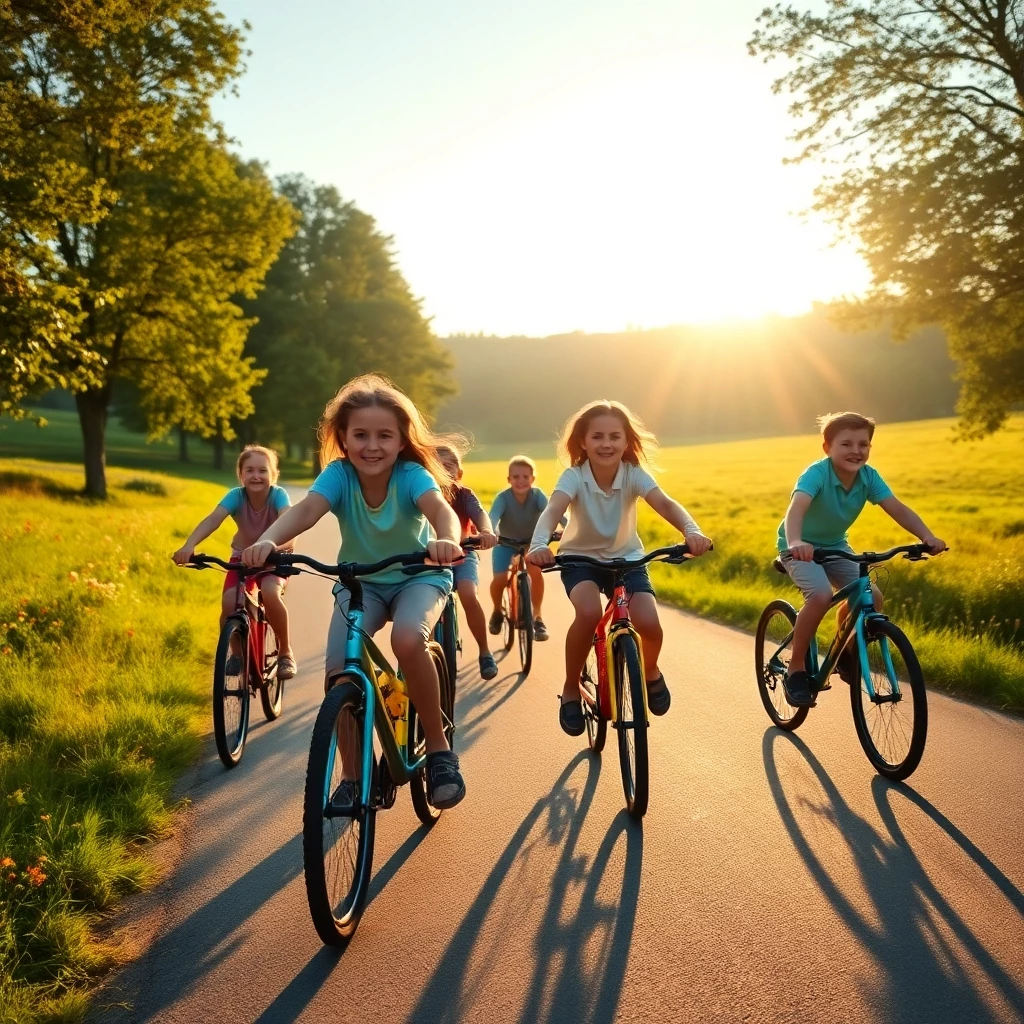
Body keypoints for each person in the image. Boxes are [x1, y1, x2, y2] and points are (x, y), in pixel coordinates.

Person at [240, 374, 468, 809]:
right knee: (340, 673)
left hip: (420, 576)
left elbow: (440, 509)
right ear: (342, 439)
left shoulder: (412, 474)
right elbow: (307, 510)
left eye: (385, 435)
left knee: (406, 639)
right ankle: (352, 775)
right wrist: (268, 540)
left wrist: (446, 537)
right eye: (360, 434)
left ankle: (439, 751)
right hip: (361, 583)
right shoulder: (338, 475)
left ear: (402, 440)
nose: (372, 445)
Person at [527, 401, 712, 735]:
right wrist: (540, 544)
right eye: (597, 436)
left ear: (627, 442)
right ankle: (571, 688)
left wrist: (692, 531)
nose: (606, 443)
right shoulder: (574, 476)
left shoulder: (633, 474)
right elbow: (553, 510)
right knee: (587, 611)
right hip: (579, 560)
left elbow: (665, 503)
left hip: (627, 560)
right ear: (583, 442)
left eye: (615, 436)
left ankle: (651, 671)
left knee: (650, 624)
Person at [777, 411, 945, 708]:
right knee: (819, 596)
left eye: (863, 444)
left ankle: (846, 653)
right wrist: (796, 542)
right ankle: (796, 669)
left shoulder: (868, 477)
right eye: (846, 444)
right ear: (827, 448)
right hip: (798, 547)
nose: (856, 451)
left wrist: (926, 537)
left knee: (871, 597)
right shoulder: (816, 473)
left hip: (836, 545)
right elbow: (797, 509)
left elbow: (898, 508)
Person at [173, 445, 296, 680]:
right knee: (230, 601)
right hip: (243, 557)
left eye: (262, 470)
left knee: (270, 592)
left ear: (274, 475)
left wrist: (272, 545)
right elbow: (213, 520)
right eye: (249, 470)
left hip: (275, 556)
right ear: (240, 475)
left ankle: (285, 653)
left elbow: (289, 522)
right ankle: (237, 654)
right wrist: (189, 545)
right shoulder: (235, 496)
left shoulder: (278, 495)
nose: (256, 476)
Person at [435, 445, 499, 680]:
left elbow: (480, 514)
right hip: (431, 558)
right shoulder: (423, 494)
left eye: (450, 466)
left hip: (464, 552)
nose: (444, 470)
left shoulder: (464, 495)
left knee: (468, 593)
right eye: (438, 466)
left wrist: (485, 531)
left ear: (459, 473)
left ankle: (484, 651)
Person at [487, 456, 558, 642]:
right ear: (508, 479)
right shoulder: (503, 498)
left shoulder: (538, 496)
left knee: (535, 572)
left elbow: (553, 512)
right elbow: (493, 517)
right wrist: (490, 531)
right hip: (505, 543)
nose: (521, 480)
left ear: (533, 479)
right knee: (500, 578)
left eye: (526, 476)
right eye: (516, 476)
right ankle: (496, 610)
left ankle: (538, 617)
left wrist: (566, 528)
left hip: (531, 543)